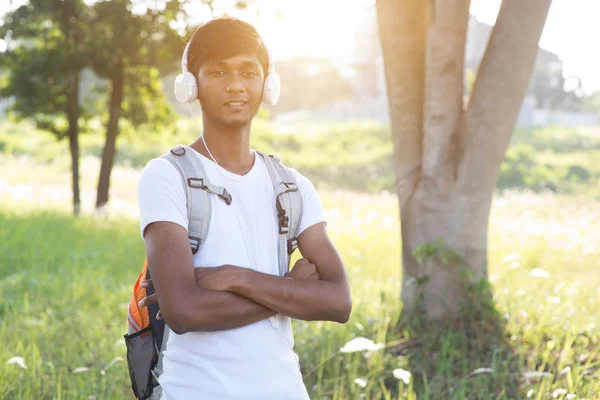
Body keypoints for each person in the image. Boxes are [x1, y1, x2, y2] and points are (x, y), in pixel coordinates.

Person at [137, 16, 352, 400]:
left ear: (268, 86)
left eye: (249, 72)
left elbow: (338, 302)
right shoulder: (166, 176)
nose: (236, 85)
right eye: (218, 72)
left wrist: (240, 278)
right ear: (192, 86)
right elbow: (184, 311)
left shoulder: (291, 185)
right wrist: (291, 290)